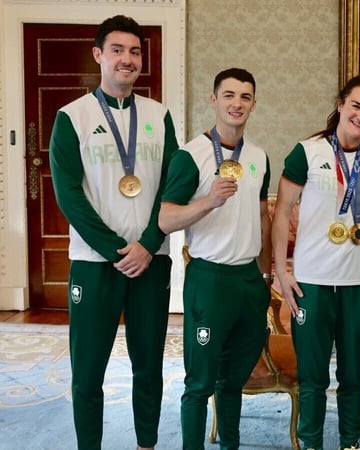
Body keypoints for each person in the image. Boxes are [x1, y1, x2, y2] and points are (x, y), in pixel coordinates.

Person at [48, 14, 178, 450]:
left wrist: (148, 245)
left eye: (136, 51)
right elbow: (68, 195)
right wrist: (118, 249)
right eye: (118, 50)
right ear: (98, 55)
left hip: (151, 261)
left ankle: (146, 444)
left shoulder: (160, 117)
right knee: (87, 372)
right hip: (94, 263)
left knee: (148, 367)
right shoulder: (72, 117)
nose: (128, 59)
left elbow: (170, 188)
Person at [158, 67, 272, 449]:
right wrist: (209, 200)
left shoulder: (258, 156)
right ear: (214, 100)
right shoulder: (189, 156)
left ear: (253, 103)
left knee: (233, 379)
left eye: (245, 97)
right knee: (200, 382)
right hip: (209, 279)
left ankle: (230, 445)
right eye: (229, 95)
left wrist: (266, 275)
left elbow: (261, 216)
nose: (237, 103)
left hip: (248, 281)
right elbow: (165, 218)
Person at [272, 75, 360, 450]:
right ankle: (311, 442)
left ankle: (350, 441)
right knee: (313, 374)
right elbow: (282, 211)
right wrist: (281, 271)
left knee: (355, 372)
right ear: (340, 104)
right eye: (356, 106)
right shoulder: (306, 152)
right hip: (312, 280)